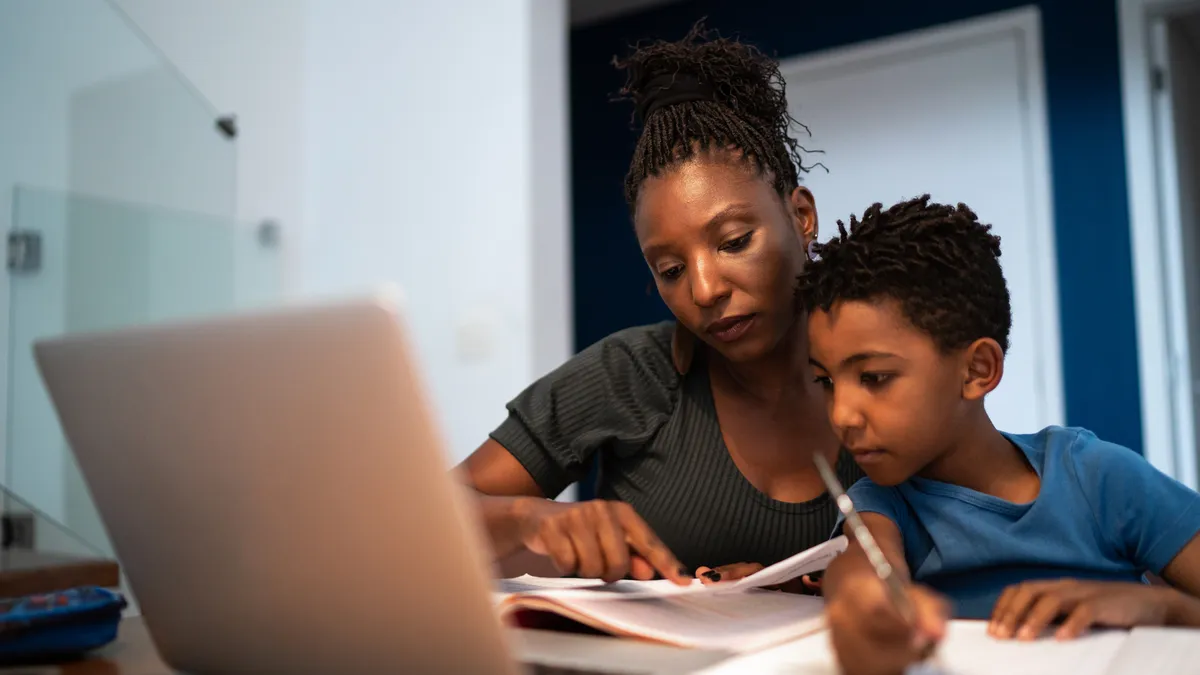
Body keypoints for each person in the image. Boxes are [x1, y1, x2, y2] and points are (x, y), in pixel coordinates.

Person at [456, 24, 864, 586]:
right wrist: (529, 518)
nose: (703, 291)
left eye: (734, 241)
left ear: (802, 217)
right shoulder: (628, 375)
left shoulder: (879, 367)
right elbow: (432, 514)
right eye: (670, 270)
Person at [794, 195, 1200, 675]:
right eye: (825, 382)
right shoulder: (884, 501)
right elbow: (865, 568)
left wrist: (1163, 610)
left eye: (875, 377)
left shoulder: (1098, 477)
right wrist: (865, 602)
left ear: (977, 370)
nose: (841, 415)